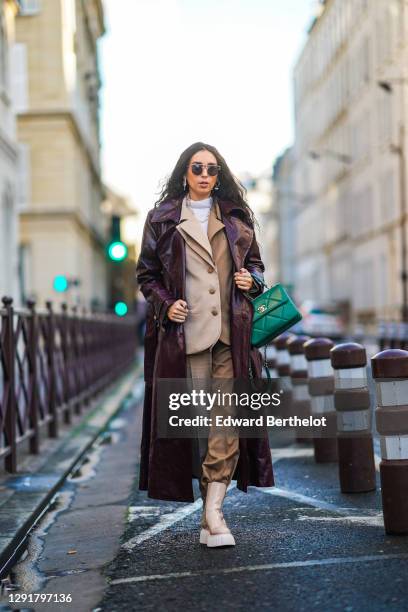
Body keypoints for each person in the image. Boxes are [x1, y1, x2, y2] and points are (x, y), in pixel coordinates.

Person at [136, 142, 274, 547]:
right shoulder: (161, 219)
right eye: (197, 167)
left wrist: (253, 279)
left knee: (226, 424)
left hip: (232, 335)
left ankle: (214, 512)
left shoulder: (236, 216)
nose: (204, 175)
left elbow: (256, 265)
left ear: (219, 175)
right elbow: (147, 276)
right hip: (187, 338)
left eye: (212, 169)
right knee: (197, 430)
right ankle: (207, 510)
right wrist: (166, 305)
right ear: (185, 172)